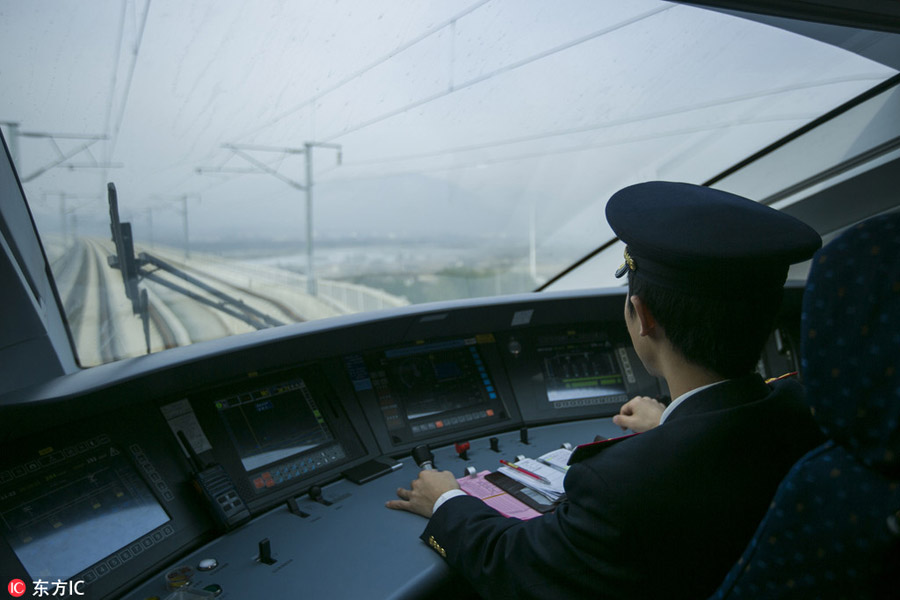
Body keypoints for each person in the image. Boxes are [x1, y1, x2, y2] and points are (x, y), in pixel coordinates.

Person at [386, 181, 825, 599]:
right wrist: (671, 426)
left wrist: (445, 501)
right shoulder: (809, 414)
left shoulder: (619, 483)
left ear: (641, 316)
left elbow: (517, 566)